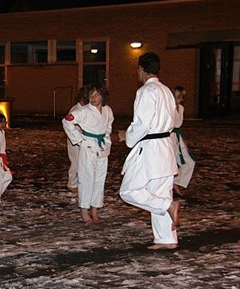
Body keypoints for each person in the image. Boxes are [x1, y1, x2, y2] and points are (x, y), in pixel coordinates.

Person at [119, 52, 181, 250]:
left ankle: (168, 207)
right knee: (159, 192)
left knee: (128, 191)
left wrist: (126, 137)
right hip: (165, 145)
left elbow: (142, 124)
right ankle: (166, 239)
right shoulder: (165, 91)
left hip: (151, 147)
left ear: (141, 69)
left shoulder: (146, 91)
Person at [63, 83, 114, 224]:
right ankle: (84, 210)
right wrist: (79, 140)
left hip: (102, 148)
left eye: (97, 94)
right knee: (86, 179)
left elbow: (109, 123)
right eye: (91, 95)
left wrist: (107, 136)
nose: (93, 98)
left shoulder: (107, 110)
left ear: (103, 96)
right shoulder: (83, 111)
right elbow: (67, 122)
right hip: (88, 146)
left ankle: (95, 209)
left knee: (99, 180)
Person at [171, 85, 196, 197]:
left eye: (180, 98)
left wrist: (182, 140)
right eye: (176, 97)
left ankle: (176, 182)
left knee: (189, 161)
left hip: (177, 137)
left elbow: (179, 126)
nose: (178, 100)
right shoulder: (168, 107)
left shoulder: (181, 108)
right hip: (168, 137)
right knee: (169, 163)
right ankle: (168, 186)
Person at [66, 87, 89, 195]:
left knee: (80, 161)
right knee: (76, 161)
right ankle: (72, 184)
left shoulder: (83, 109)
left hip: (80, 139)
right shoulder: (76, 110)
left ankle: (77, 183)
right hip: (75, 140)